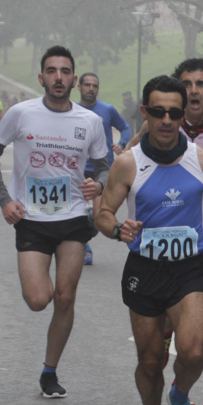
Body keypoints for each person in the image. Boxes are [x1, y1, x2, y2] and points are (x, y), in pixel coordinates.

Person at [95, 75, 203, 405]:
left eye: (175, 112)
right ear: (146, 113)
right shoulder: (128, 165)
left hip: (190, 268)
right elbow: (103, 213)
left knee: (192, 352)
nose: (168, 120)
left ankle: (180, 394)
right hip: (144, 268)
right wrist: (117, 228)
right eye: (159, 112)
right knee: (150, 360)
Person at [0, 45, 110, 399]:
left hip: (72, 218)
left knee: (65, 298)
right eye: (51, 71)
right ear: (41, 78)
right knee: (40, 299)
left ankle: (49, 372)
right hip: (32, 219)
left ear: (73, 78)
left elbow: (104, 165)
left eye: (65, 71)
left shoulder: (90, 122)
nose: (58, 77)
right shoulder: (21, 114)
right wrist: (4, 200)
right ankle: (40, 286)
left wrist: (98, 183)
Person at [77, 73, 132, 266]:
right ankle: (82, 244)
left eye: (95, 86)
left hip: (103, 171)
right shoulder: (72, 111)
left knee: (97, 215)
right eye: (87, 85)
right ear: (79, 87)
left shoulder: (107, 110)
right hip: (79, 172)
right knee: (76, 213)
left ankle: (84, 239)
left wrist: (121, 143)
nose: (91, 88)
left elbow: (125, 128)